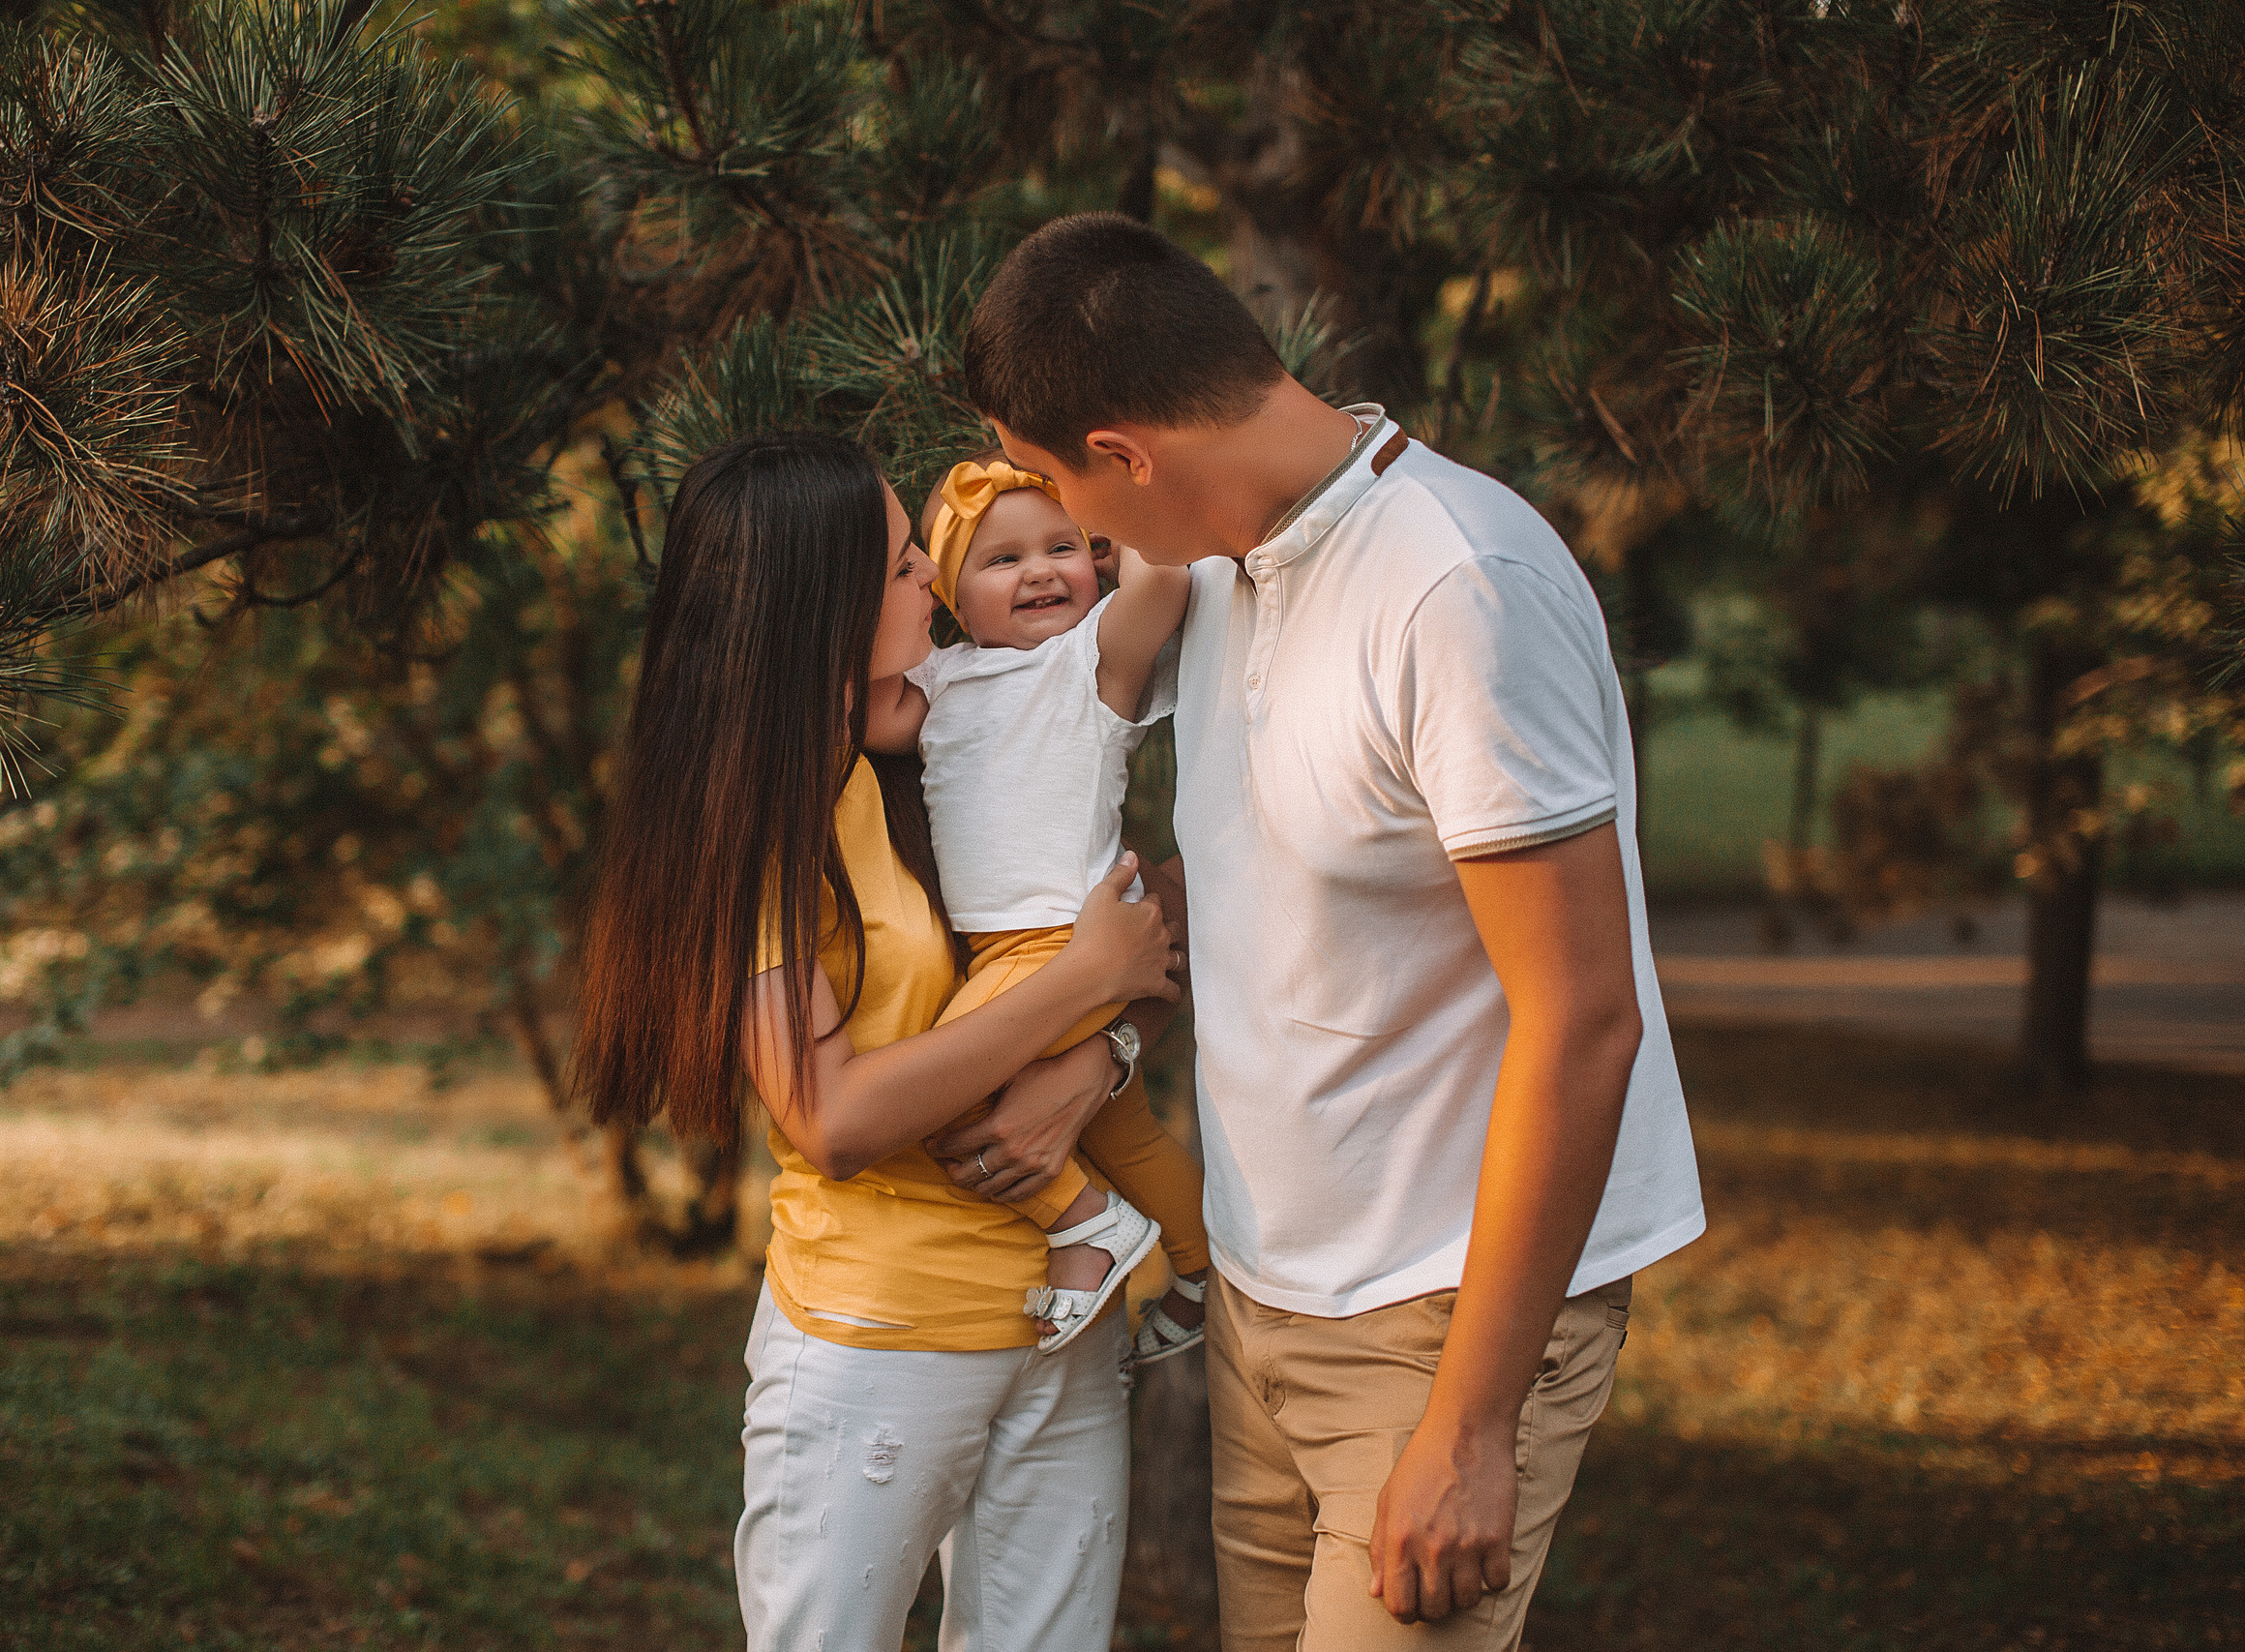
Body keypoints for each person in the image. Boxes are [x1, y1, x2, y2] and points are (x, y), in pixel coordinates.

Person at [963, 214, 1708, 1651]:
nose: (1065, 524)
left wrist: (1472, 1424)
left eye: (1053, 480)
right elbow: (1254, 869)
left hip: (1439, 1323)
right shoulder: (1226, 563)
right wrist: (1097, 1055)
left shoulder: (1455, 588)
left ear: (1123, 453)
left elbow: (1585, 1016)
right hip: (1264, 1301)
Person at [572, 430, 1183, 1651]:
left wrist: (1101, 1052)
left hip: (1060, 1313)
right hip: (882, 1335)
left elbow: (1152, 918)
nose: (932, 583)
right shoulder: (758, 829)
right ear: (822, 602)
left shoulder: (948, 731)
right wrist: (1080, 986)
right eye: (906, 565)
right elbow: (833, 1120)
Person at [862, 452, 1212, 1362]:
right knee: (1124, 1134)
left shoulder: (1090, 662)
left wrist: (1116, 526)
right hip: (1004, 954)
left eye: (1062, 547)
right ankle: (1205, 1268)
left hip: (1066, 939)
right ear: (948, 596)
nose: (1040, 572)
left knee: (932, 1093)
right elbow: (856, 710)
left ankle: (1084, 1224)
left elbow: (1164, 581)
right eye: (1003, 559)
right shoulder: (941, 683)